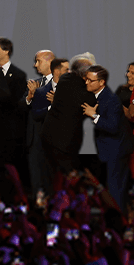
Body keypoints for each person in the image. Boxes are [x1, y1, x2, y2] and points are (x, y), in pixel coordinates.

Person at [83, 65, 133, 209]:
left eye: (90, 80)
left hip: (117, 151)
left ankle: (119, 225)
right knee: (114, 190)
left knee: (116, 192)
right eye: (86, 79)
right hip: (112, 150)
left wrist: (93, 115)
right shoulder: (101, 96)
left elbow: (112, 127)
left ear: (101, 82)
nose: (86, 82)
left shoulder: (110, 99)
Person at [41, 56, 93, 187]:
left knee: (52, 177)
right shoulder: (84, 92)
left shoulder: (65, 79)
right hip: (64, 143)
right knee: (66, 181)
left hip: (50, 136)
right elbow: (91, 106)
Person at [0, 37, 27, 189]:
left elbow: (15, 102)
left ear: (6, 51)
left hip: (10, 134)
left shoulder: (19, 75)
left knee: (8, 173)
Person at [24, 50, 59, 194]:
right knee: (35, 182)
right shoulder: (35, 84)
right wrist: (30, 96)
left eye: (38, 61)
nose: (35, 64)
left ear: (49, 62)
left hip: (50, 140)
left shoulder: (60, 84)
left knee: (50, 182)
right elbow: (24, 106)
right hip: (33, 140)